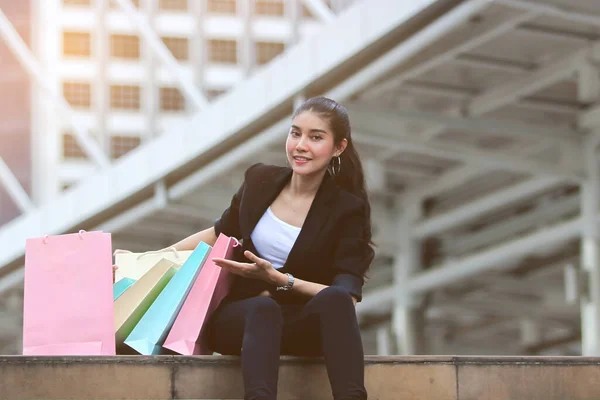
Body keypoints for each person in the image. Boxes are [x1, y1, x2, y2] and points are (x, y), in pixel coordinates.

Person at [115, 96, 374, 400]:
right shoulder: (260, 180)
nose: (301, 145)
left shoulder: (347, 209)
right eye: (295, 133)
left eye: (316, 137)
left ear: (338, 147)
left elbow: (347, 295)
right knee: (263, 309)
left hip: (300, 326)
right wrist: (144, 260)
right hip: (241, 321)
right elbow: (217, 233)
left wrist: (280, 280)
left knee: (336, 301)